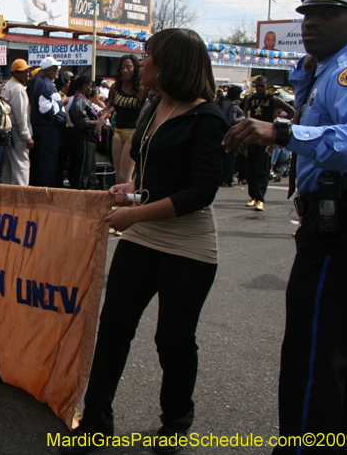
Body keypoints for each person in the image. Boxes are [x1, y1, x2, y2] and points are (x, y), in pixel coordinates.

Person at [61, 29, 229, 455]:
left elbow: (200, 192)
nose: (142, 61)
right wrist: (130, 190)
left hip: (188, 244)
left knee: (173, 339)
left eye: (149, 55)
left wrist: (134, 212)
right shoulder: (156, 105)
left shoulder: (208, 117)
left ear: (171, 63)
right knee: (114, 327)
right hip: (143, 233)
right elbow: (154, 174)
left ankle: (175, 425)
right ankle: (96, 423)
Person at [224, 0, 347, 455]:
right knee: (341, 357)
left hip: (342, 230)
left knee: (316, 355)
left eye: (328, 13)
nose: (311, 22)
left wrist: (283, 132)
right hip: (336, 225)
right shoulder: (325, 70)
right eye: (307, 13)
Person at [243, 76, 295, 211]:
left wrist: (280, 125)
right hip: (253, 136)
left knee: (263, 168)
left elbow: (291, 111)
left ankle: (260, 198)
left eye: (262, 86)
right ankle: (253, 196)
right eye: (257, 86)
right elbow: (246, 110)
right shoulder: (251, 99)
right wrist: (248, 120)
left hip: (266, 138)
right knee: (251, 167)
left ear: (267, 86)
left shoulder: (273, 99)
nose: (259, 89)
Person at [106, 54, 147, 184]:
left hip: (133, 132)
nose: (125, 70)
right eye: (122, 67)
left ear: (135, 69)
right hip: (117, 131)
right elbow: (111, 105)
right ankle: (120, 204)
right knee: (118, 177)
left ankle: (128, 204)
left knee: (125, 177)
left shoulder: (141, 88)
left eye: (129, 67)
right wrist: (102, 117)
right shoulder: (115, 87)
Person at [29, 56, 66, 187]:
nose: (58, 70)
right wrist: (61, 103)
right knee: (47, 165)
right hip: (48, 131)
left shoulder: (48, 83)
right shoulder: (44, 84)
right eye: (56, 68)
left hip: (50, 131)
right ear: (48, 70)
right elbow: (46, 109)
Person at [1, 59, 34, 185]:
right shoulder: (18, 89)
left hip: (8, 131)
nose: (27, 74)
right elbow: (21, 115)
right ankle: (21, 198)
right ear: (15, 73)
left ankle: (7, 199)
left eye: (28, 71)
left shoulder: (7, 85)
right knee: (21, 168)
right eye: (23, 72)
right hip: (18, 133)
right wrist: (27, 136)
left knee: (7, 169)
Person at [66, 75, 101, 190]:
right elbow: (81, 120)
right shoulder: (79, 100)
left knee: (88, 169)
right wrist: (96, 122)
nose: (91, 89)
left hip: (86, 139)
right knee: (83, 170)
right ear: (85, 86)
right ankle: (80, 195)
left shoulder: (82, 100)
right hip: (84, 139)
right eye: (90, 87)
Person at [220, 85, 244, 187]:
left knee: (224, 157)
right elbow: (233, 120)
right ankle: (228, 179)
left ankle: (222, 179)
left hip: (223, 131)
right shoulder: (233, 105)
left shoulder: (226, 103)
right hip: (231, 132)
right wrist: (243, 118)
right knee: (230, 157)